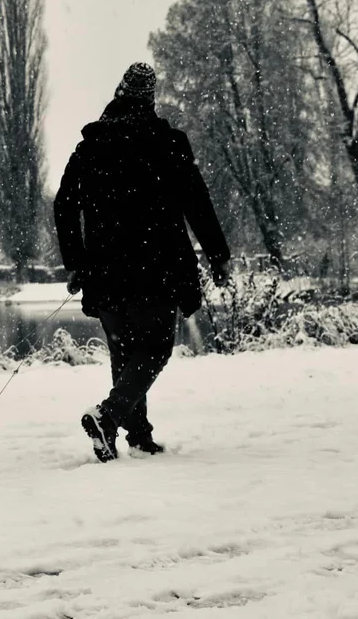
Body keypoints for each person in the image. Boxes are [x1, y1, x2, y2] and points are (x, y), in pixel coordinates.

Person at [54, 62, 231, 463]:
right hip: (156, 266)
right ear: (150, 99)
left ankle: (138, 436)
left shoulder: (91, 147)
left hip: (105, 271)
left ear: (118, 96)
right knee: (154, 348)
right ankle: (110, 416)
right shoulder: (167, 144)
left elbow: (64, 204)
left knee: (125, 350)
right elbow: (197, 204)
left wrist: (76, 261)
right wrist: (218, 256)